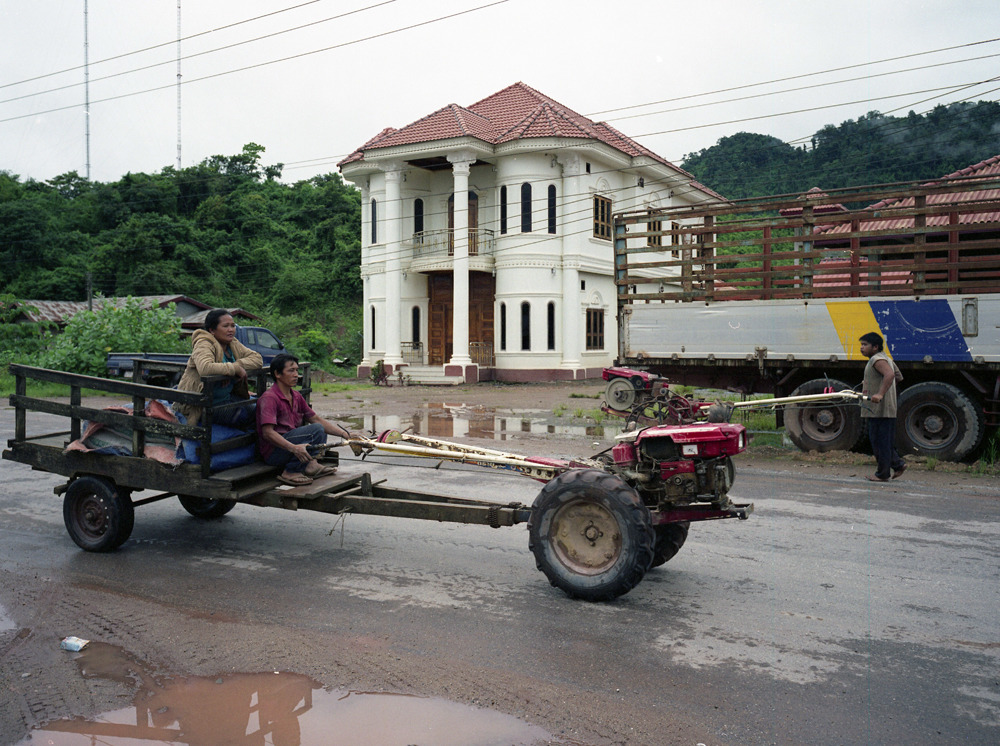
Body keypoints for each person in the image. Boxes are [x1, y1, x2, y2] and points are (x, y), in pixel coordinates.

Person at [256, 353, 352, 486]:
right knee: (316, 430)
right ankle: (290, 471)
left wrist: (346, 435)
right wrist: (293, 448)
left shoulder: (295, 395)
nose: (296, 374)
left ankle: (311, 464)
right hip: (275, 452)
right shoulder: (270, 398)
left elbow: (316, 419)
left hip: (290, 445)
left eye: (297, 370)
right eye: (291, 370)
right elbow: (268, 433)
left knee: (319, 427)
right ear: (277, 374)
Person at [176, 309, 263, 428]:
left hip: (226, 398)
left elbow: (257, 359)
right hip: (204, 404)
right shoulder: (204, 343)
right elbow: (205, 368)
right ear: (212, 330)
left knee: (262, 410)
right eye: (225, 326)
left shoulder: (232, 343)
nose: (231, 329)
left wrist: (234, 367)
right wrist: (234, 369)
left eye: (233, 326)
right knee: (243, 415)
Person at [859, 331, 906, 482]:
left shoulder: (876, 359)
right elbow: (898, 376)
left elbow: (890, 376)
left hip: (880, 410)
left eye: (865, 345)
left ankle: (882, 474)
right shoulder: (886, 359)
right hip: (886, 409)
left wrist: (880, 394)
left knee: (879, 442)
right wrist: (875, 385)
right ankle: (897, 465)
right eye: (861, 344)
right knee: (883, 441)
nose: (861, 348)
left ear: (875, 347)